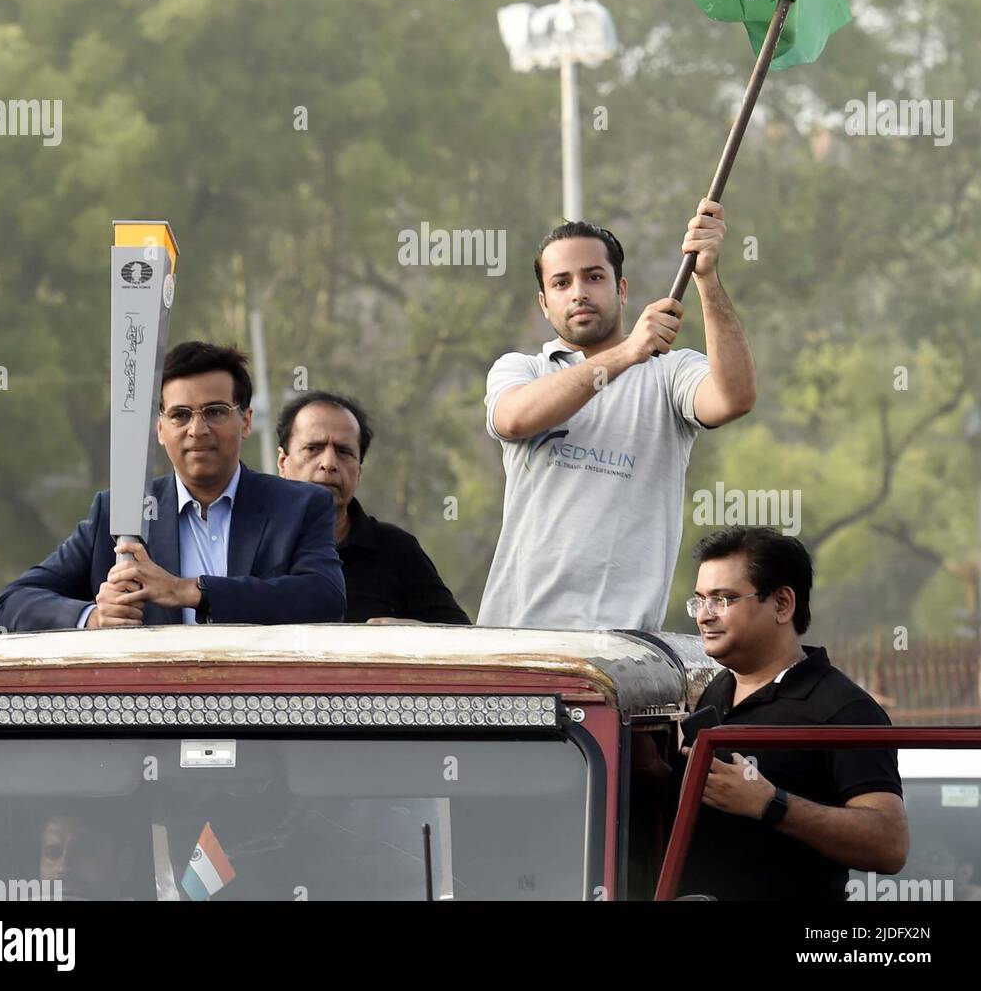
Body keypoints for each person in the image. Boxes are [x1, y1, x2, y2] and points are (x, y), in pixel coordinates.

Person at [477, 206, 755, 631]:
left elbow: (734, 398)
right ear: (544, 302)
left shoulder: (670, 372)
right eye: (561, 282)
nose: (578, 292)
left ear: (621, 288)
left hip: (624, 648)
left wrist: (707, 280)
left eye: (594, 277)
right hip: (516, 637)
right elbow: (514, 419)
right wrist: (628, 352)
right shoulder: (521, 369)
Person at [0, 342, 345, 631]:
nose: (197, 430)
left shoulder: (299, 506)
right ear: (160, 429)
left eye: (216, 411)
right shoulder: (119, 514)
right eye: (180, 415)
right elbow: (10, 603)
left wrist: (189, 591)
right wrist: (93, 617)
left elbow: (324, 598)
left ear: (246, 420)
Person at [678, 527, 908, 901]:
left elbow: (890, 843)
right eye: (700, 600)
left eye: (723, 599)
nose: (705, 616)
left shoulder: (844, 709)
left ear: (783, 604)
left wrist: (771, 804)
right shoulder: (716, 691)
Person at [277, 391, 470, 625]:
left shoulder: (396, 550)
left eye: (344, 452)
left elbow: (461, 638)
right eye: (313, 448)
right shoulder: (248, 541)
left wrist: (412, 633)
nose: (328, 463)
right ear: (282, 463)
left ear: (359, 472)